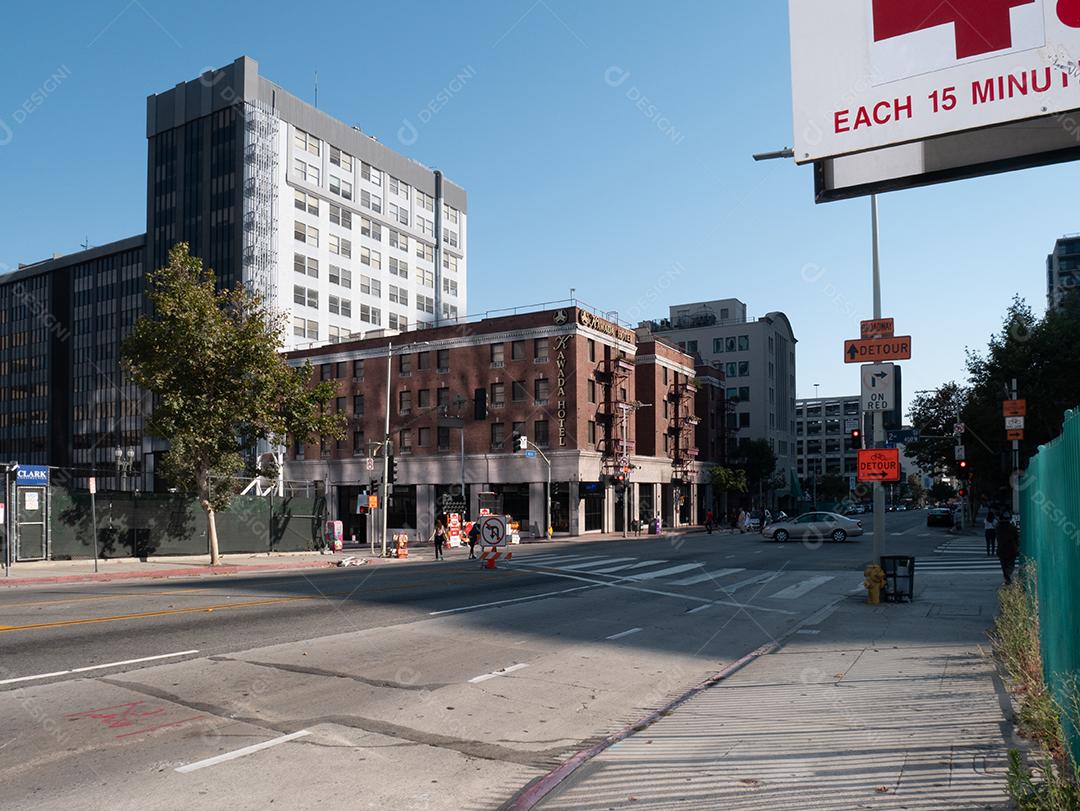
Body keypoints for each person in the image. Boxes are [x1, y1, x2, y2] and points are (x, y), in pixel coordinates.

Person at [996, 512, 1019, 585]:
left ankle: (1007, 578)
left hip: (1002, 549)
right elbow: (1017, 538)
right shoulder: (1012, 527)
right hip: (1011, 549)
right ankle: (1008, 578)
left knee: (1004, 565)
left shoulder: (998, 527)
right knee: (1010, 564)